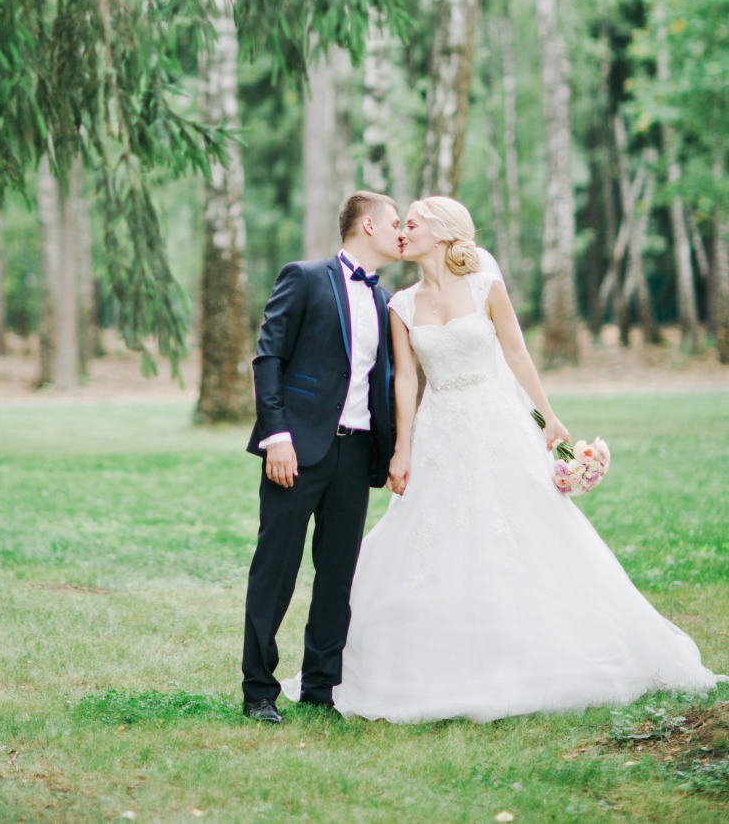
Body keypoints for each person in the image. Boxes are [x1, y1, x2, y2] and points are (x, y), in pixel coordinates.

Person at [309, 195, 721, 723]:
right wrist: (403, 449)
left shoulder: (485, 285)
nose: (403, 233)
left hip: (497, 421)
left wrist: (548, 418)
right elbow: (406, 381)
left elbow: (516, 353)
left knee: (524, 526)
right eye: (401, 225)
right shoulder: (401, 305)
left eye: (411, 224)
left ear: (440, 231)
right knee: (436, 533)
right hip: (440, 432)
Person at [240, 191, 402, 722]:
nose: (401, 232)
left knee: (337, 575)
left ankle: (320, 690)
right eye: (396, 222)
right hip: (298, 449)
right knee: (276, 569)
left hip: (356, 456)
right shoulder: (305, 276)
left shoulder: (386, 300)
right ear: (369, 225)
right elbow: (269, 358)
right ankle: (259, 690)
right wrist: (277, 436)